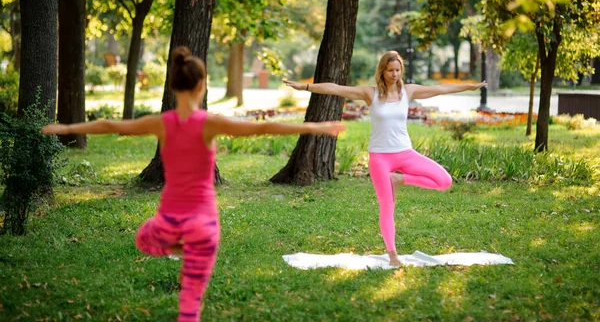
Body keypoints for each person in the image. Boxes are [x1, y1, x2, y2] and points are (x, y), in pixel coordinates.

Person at [42, 46, 345, 322]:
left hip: (169, 221)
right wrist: (318, 126)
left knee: (143, 239)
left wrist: (67, 126)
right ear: (202, 86)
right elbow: (263, 126)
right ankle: (189, 253)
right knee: (189, 308)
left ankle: (179, 248)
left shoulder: (162, 122)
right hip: (204, 225)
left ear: (173, 86)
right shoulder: (209, 123)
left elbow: (110, 125)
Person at [283, 50, 486, 267]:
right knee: (387, 206)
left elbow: (441, 88)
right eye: (391, 70)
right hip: (380, 157)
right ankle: (392, 254)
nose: (395, 74)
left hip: (406, 153)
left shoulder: (409, 91)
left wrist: (470, 86)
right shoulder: (370, 94)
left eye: (398, 70)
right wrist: (304, 87)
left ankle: (399, 179)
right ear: (382, 70)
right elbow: (335, 88)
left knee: (444, 181)